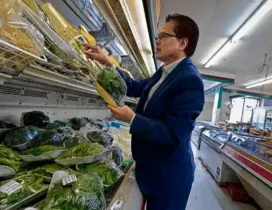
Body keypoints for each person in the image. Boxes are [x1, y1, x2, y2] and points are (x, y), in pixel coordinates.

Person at [85, 13, 204, 210]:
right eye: (158, 36)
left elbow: (173, 134)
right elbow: (134, 87)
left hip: (169, 178)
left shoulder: (189, 80)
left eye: (164, 36)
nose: (157, 41)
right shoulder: (165, 72)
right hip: (151, 170)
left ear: (182, 43)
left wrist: (132, 118)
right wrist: (108, 62)